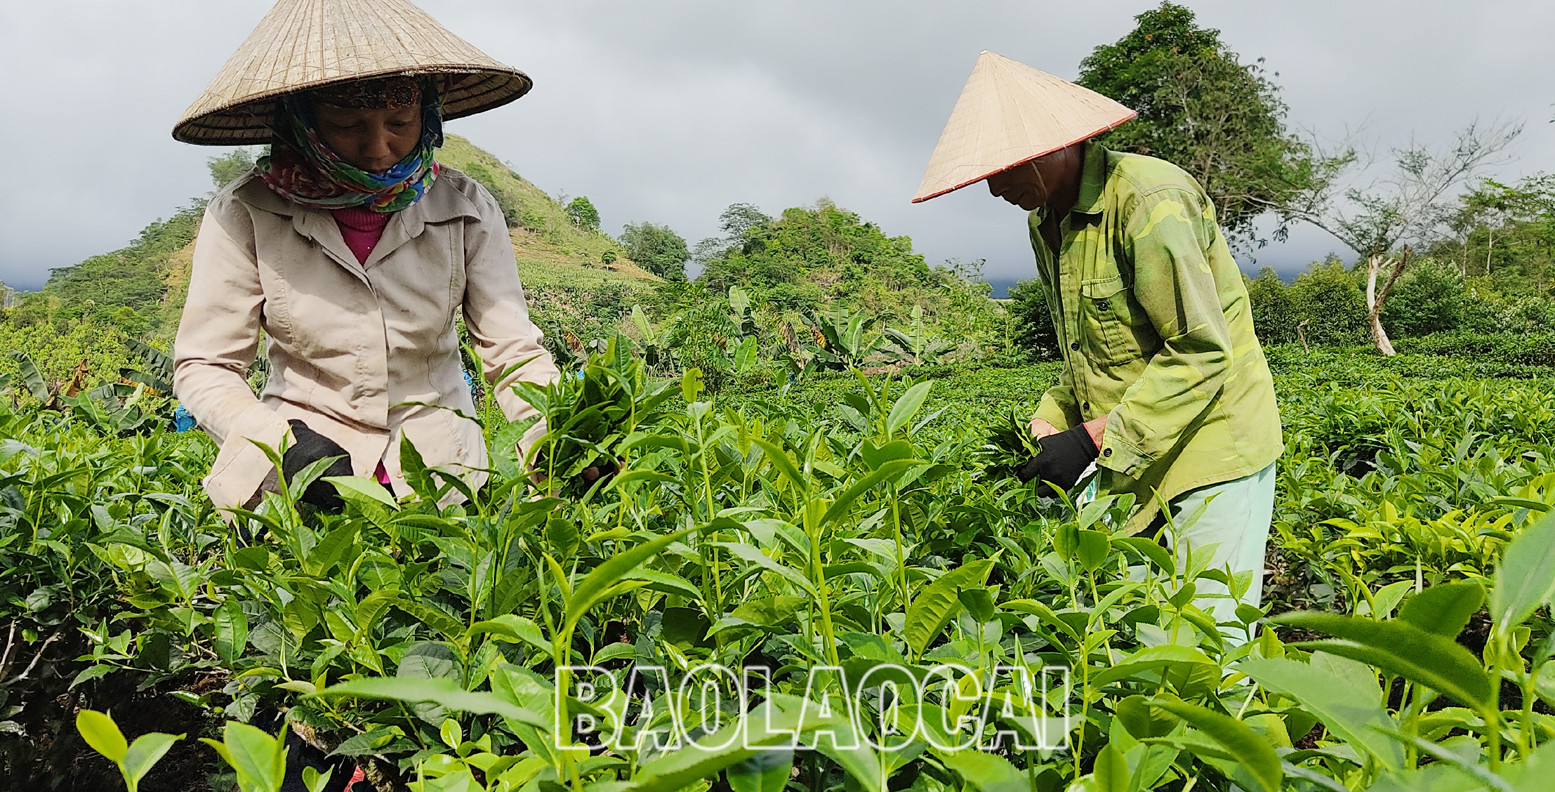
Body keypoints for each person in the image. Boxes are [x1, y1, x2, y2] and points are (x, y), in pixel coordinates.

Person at [913, 52, 1284, 639]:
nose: (993, 189)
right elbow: (1088, 349)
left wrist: (1090, 438)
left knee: (1210, 646)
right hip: (1132, 450)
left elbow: (1202, 350)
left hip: (1211, 450)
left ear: (1056, 146)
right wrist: (1051, 417)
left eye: (1003, 168)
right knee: (1138, 636)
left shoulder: (1148, 200)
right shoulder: (1046, 221)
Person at [171, 0, 560, 517]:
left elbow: (513, 353)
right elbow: (206, 365)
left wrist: (557, 434)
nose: (379, 148)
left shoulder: (465, 208)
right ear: (301, 121)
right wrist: (279, 445)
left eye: (399, 122)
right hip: (297, 485)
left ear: (428, 115)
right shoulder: (247, 212)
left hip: (440, 483)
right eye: (348, 124)